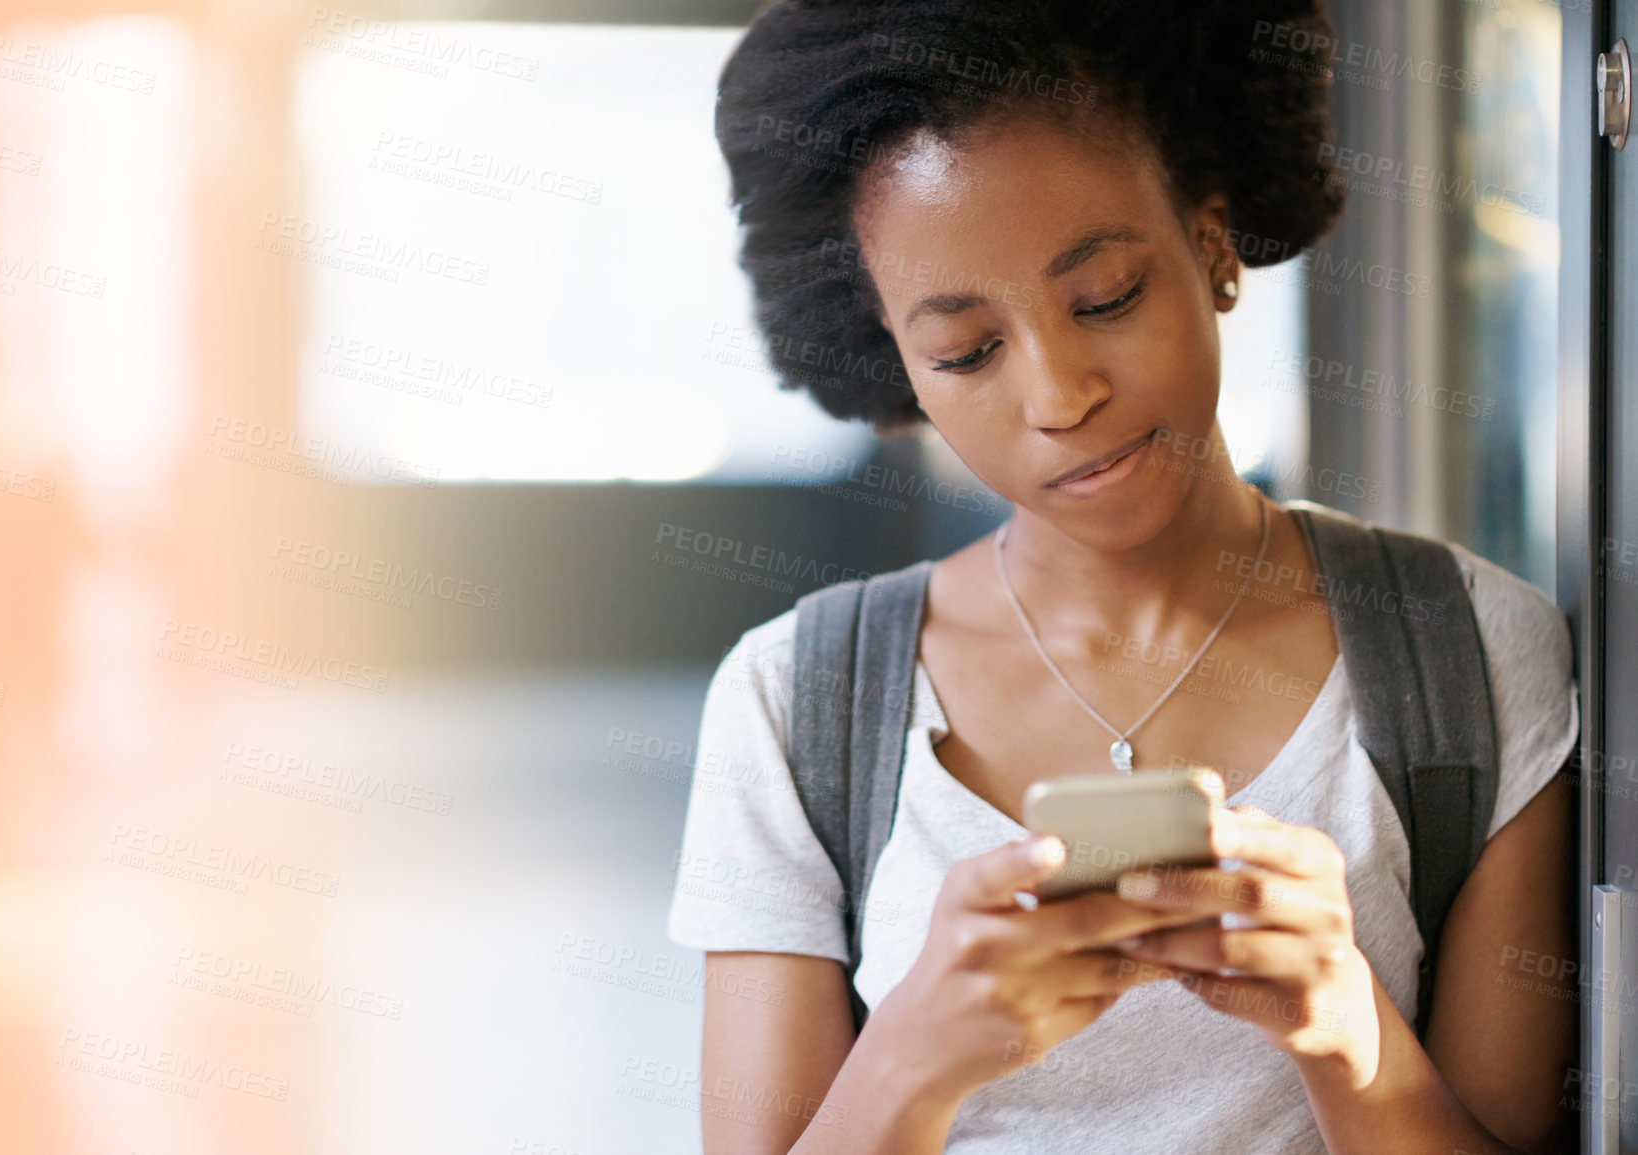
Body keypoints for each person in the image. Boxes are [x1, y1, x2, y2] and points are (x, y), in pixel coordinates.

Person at [665, 2, 1579, 1151]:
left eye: (1104, 297)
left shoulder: (1476, 659)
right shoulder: (797, 700)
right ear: (898, 360)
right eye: (967, 352)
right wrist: (916, 1049)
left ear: (1210, 247)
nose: (1059, 398)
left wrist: (1350, 1037)